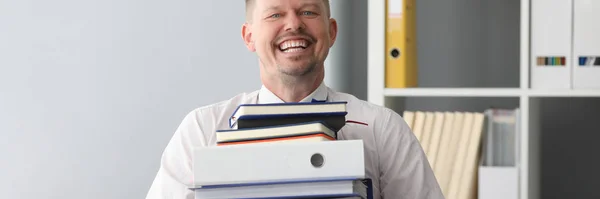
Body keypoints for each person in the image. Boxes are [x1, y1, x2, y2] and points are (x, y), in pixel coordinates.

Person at [145, 0, 444, 198]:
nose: (294, 24)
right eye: (275, 14)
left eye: (308, 12)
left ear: (332, 31)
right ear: (249, 37)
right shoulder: (202, 129)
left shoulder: (382, 129)